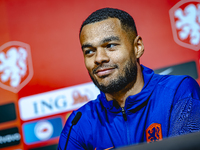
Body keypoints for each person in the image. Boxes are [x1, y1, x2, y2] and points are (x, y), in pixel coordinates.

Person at [57, 8, 200, 150]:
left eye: (110, 46)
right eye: (89, 51)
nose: (99, 58)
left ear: (137, 47)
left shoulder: (178, 93)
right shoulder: (79, 124)